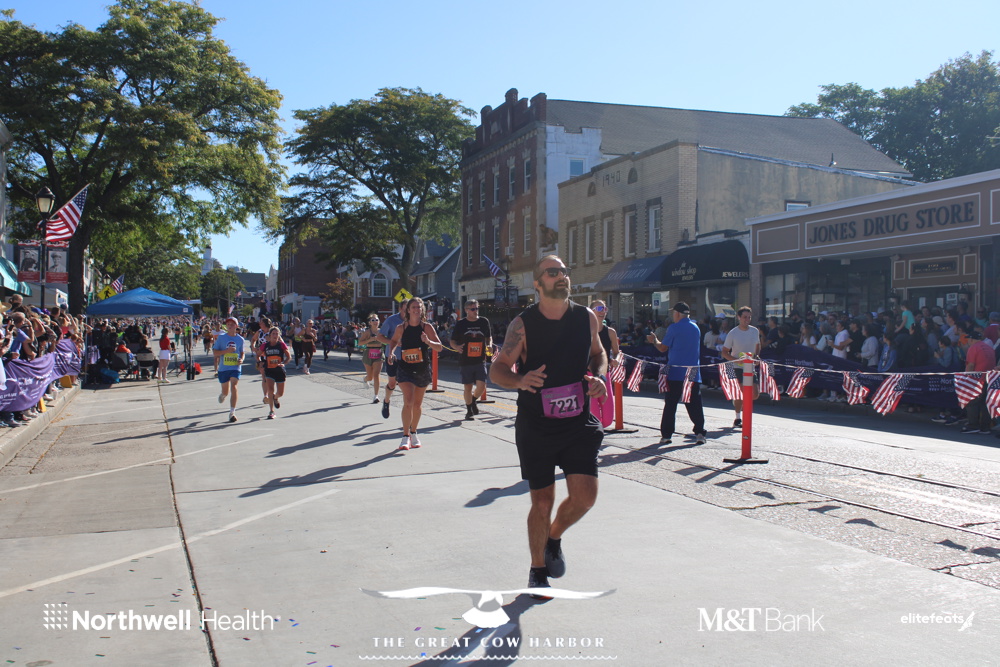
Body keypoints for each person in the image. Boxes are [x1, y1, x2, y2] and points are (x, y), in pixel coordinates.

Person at [489, 255, 607, 598]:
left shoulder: (585, 317)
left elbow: (598, 353)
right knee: (542, 501)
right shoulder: (523, 324)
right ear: (537, 283)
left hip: (578, 422)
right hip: (536, 425)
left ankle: (553, 537)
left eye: (564, 271)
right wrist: (520, 380)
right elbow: (497, 369)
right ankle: (537, 570)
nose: (561, 276)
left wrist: (598, 375)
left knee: (585, 497)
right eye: (552, 272)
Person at [647, 302, 708, 445]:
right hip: (692, 371)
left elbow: (663, 348)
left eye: (674, 313)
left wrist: (654, 340)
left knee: (671, 404)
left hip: (676, 371)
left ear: (678, 314)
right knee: (694, 404)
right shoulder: (695, 328)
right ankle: (700, 432)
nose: (673, 315)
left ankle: (667, 435)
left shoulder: (674, 328)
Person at [388, 297, 444, 450]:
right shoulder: (401, 327)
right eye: (413, 307)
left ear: (422, 310)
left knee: (417, 404)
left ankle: (414, 433)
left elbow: (439, 347)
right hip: (405, 368)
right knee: (408, 401)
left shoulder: (427, 327)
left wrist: (428, 342)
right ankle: (405, 436)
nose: (416, 310)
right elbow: (393, 341)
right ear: (408, 310)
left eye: (419, 307)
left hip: (422, 369)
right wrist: (391, 352)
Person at [450, 299, 493, 421]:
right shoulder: (461, 324)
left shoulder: (484, 321)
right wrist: (457, 347)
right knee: (468, 387)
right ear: (466, 310)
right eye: (473, 309)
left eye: (477, 308)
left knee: (482, 386)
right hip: (465, 360)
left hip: (480, 359)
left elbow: (488, 337)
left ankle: (473, 400)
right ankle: (469, 410)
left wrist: (489, 345)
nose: (476, 311)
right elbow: (452, 341)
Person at [720, 306, 760, 429]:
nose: (747, 320)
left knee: (755, 394)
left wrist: (757, 357)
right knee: (741, 392)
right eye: (744, 317)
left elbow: (757, 346)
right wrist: (736, 360)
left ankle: (739, 402)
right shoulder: (733, 333)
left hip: (750, 366)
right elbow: (724, 352)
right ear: (739, 318)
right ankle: (738, 417)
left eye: (749, 317)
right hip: (737, 367)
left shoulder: (754, 331)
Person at [589, 299, 619, 428]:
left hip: (604, 375)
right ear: (591, 311)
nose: (603, 312)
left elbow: (616, 352)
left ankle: (597, 431)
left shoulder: (610, 332)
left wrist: (615, 359)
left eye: (605, 309)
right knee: (594, 416)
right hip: (589, 376)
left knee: (607, 419)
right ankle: (594, 435)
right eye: (599, 309)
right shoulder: (585, 330)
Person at [960, 332, 997, 435]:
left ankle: (973, 425)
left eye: (968, 339)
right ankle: (985, 427)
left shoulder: (973, 348)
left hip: (976, 379)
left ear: (971, 339)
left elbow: (970, 365)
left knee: (971, 402)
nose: (968, 341)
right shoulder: (989, 348)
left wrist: (966, 379)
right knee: (985, 404)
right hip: (989, 378)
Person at [376, 301, 408, 419]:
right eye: (405, 310)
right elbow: (380, 337)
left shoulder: (414, 320)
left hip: (409, 357)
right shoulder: (391, 320)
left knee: (407, 385)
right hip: (394, 356)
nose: (407, 312)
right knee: (392, 383)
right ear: (400, 309)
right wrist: (393, 342)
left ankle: (408, 412)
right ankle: (386, 401)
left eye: (409, 310)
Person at [213, 316, 246, 422]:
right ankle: (223, 395)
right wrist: (226, 351)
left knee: (234, 386)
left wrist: (241, 359)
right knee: (225, 391)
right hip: (223, 368)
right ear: (226, 326)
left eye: (232, 324)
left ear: (236, 326)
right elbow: (215, 353)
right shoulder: (221, 338)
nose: (230, 326)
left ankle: (232, 413)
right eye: (228, 324)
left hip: (235, 367)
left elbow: (242, 352)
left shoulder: (240, 339)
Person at [259, 326, 290, 419]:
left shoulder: (282, 345)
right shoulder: (265, 346)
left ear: (279, 335)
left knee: (280, 393)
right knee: (270, 390)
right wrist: (260, 362)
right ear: (270, 335)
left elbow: (289, 357)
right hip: (269, 370)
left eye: (277, 334)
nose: (275, 335)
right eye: (273, 334)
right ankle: (271, 411)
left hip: (279, 370)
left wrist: (284, 363)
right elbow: (258, 355)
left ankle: (275, 397)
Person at [359, 314, 384, 404]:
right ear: (370, 323)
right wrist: (370, 340)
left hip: (379, 353)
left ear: (379, 322)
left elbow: (387, 341)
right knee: (370, 377)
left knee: (376, 375)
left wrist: (382, 340)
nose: (375, 322)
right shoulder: (367, 332)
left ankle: (376, 396)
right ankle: (365, 379)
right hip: (368, 353)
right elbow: (360, 343)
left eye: (376, 320)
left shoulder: (382, 332)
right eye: (373, 320)